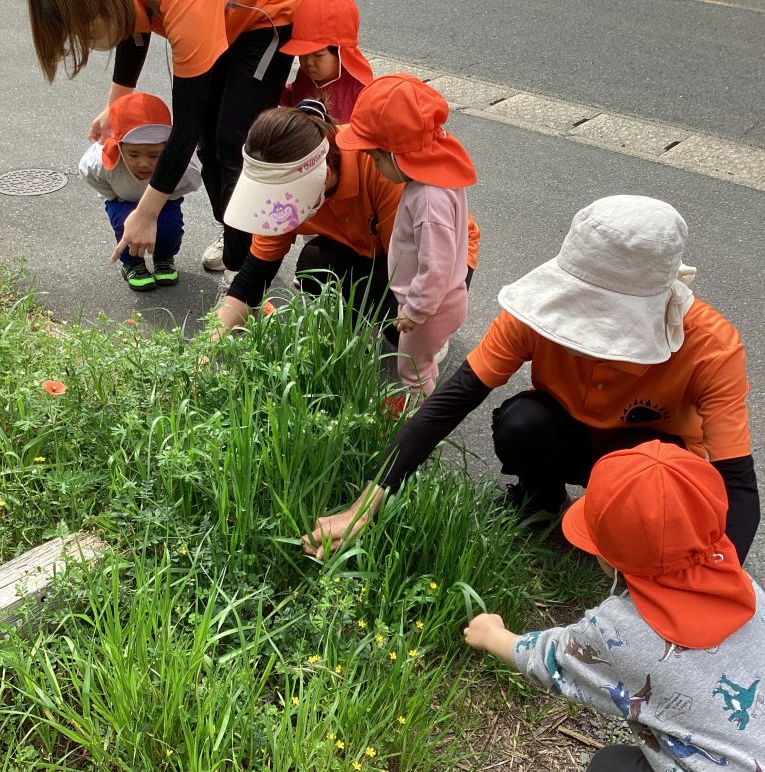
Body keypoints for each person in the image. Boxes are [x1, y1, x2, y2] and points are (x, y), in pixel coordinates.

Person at [301, 195, 760, 566]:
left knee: (656, 482)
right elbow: (454, 399)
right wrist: (367, 502)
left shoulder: (711, 346)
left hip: (646, 461)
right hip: (565, 436)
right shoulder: (533, 316)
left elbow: (735, 480)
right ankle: (542, 502)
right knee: (521, 422)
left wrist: (717, 582)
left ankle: (636, 544)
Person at [463, 441, 764, 772]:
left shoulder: (620, 634)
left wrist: (491, 634)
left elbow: (548, 661)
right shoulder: (745, 587)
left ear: (613, 557)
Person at [27, 0, 297, 279]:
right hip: (221, 20)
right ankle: (234, 232)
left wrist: (146, 214)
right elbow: (132, 26)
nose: (82, 40)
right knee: (209, 142)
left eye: (81, 29)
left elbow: (184, 128)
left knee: (233, 144)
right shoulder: (121, 7)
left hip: (263, 19)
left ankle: (241, 273)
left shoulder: (186, 8)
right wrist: (116, 107)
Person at [216, 103, 480, 343]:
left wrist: (415, 313)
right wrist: (208, 345)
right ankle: (356, 327)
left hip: (435, 256)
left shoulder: (380, 167)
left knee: (400, 327)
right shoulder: (283, 194)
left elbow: (413, 265)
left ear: (323, 175)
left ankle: (433, 334)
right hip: (364, 248)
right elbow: (253, 277)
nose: (278, 209)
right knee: (314, 266)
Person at [337, 74, 477, 408]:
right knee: (419, 364)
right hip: (442, 299)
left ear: (397, 154)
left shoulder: (428, 199)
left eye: (376, 158)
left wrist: (415, 311)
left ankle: (418, 418)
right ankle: (419, 407)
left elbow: (436, 266)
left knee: (413, 370)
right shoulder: (437, 176)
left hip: (432, 306)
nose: (375, 167)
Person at [78, 92, 201, 291]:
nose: (144, 163)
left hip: (163, 201)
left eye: (154, 155)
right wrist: (112, 195)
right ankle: (132, 264)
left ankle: (164, 258)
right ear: (119, 147)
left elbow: (192, 182)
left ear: (168, 149)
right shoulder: (101, 162)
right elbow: (88, 173)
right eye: (133, 154)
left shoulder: (181, 168)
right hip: (122, 199)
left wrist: (167, 197)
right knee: (124, 223)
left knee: (169, 226)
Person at [279, 0, 373, 124]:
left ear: (340, 53)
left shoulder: (359, 90)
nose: (309, 62)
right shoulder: (305, 75)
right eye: (302, 54)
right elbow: (293, 96)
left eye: (318, 55)